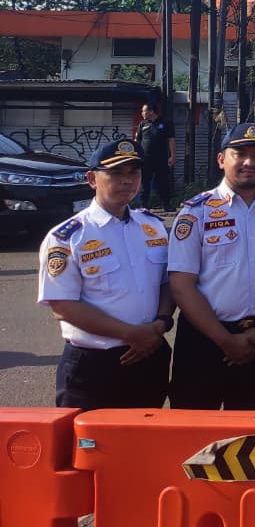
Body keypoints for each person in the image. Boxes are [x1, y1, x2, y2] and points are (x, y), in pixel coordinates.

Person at [36, 139, 174, 408]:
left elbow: (167, 283)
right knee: (88, 446)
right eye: (115, 173)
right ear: (92, 179)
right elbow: (62, 305)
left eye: (133, 173)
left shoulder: (153, 227)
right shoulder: (67, 237)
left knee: (146, 444)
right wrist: (130, 334)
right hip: (94, 364)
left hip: (149, 354)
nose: (126, 181)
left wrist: (160, 324)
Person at [167, 123, 255, 410]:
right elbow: (181, 284)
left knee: (248, 433)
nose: (250, 162)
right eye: (240, 153)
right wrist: (225, 340)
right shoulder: (196, 212)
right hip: (203, 340)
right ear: (221, 159)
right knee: (194, 434)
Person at [134, 102, 175, 211]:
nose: (142, 113)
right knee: (145, 181)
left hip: (161, 158)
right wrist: (135, 156)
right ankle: (144, 204)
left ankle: (166, 204)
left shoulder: (165, 123)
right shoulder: (142, 124)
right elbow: (137, 141)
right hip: (145, 159)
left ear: (151, 111)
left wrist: (172, 156)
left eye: (144, 111)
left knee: (163, 181)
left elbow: (171, 140)